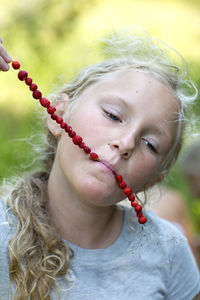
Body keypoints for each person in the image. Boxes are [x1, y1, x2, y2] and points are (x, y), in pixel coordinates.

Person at [0, 29, 200, 300]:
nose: (127, 142)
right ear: (58, 113)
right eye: (113, 115)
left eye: (150, 145)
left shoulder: (169, 253)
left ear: (154, 179)